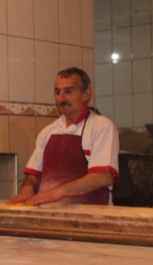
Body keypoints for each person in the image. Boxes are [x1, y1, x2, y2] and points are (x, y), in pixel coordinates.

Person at [9, 67, 119, 206]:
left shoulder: (101, 127)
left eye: (68, 91)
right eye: (57, 92)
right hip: (49, 217)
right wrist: (27, 189)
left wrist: (56, 193)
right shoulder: (48, 132)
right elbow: (34, 175)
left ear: (87, 94)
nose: (61, 98)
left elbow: (102, 177)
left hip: (91, 216)